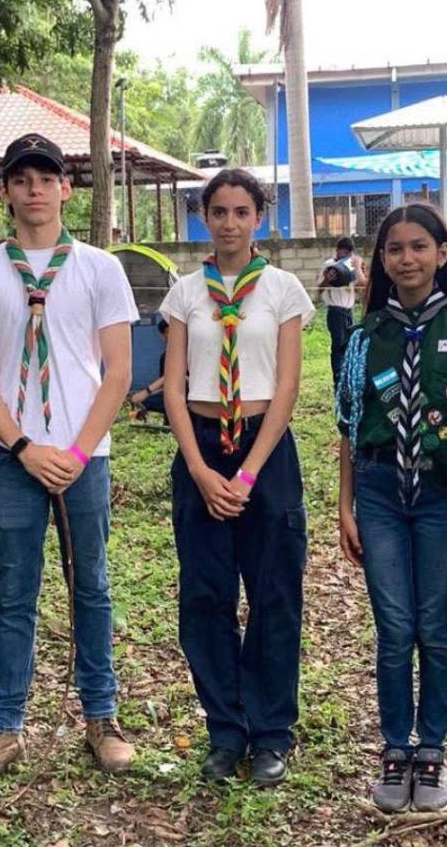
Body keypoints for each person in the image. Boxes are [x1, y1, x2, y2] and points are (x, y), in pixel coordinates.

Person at [0, 133, 139, 790]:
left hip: (86, 457)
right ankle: (5, 730)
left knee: (92, 585)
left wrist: (78, 452)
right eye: (22, 179)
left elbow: (119, 371)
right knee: (15, 593)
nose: (35, 189)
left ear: (66, 188)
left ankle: (102, 718)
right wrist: (26, 448)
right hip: (14, 458)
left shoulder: (99, 269)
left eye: (46, 178)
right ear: (6, 192)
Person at [334, 203, 447, 814]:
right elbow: (349, 427)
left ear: (442, 254)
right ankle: (395, 748)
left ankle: (432, 750)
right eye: (394, 249)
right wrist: (345, 506)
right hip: (379, 493)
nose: (407, 259)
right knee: (394, 628)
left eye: (419, 247)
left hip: (442, 496)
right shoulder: (365, 336)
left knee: (435, 627)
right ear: (380, 259)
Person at [160, 168, 315, 787]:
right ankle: (225, 729)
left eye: (241, 212)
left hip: (264, 450)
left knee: (274, 593)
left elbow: (288, 387)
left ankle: (272, 731)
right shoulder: (185, 293)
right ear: (205, 217)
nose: (229, 223)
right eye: (219, 212)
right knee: (206, 596)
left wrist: (248, 474)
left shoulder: (282, 289)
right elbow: (173, 387)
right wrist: (200, 471)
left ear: (260, 218)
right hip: (201, 446)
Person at [318, 236, 367, 388]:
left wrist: (359, 270)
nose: (345, 255)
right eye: (343, 252)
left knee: (348, 345)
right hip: (335, 311)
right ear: (337, 250)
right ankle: (338, 379)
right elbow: (320, 289)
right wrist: (328, 279)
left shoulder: (351, 266)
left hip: (348, 311)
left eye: (348, 253)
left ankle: (346, 377)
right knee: (338, 345)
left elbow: (359, 287)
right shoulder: (329, 265)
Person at [129, 319, 169, 423]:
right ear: (163, 335)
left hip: (188, 396)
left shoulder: (188, 352)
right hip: (169, 394)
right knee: (144, 403)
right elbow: (164, 385)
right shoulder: (165, 357)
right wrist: (146, 395)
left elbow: (171, 377)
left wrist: (146, 392)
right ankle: (133, 421)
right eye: (167, 332)